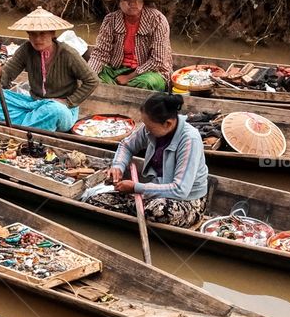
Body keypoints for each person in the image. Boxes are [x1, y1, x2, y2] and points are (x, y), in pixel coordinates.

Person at [87, 93, 208, 227]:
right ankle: (136, 209)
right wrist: (118, 166)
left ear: (168, 123)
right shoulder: (151, 129)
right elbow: (126, 145)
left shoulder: (189, 140)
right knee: (95, 201)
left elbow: (180, 189)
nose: (146, 130)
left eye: (149, 127)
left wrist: (136, 187)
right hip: (154, 192)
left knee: (156, 211)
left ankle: (136, 208)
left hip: (187, 200)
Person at [0, 7, 98, 132]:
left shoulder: (68, 53)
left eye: (42, 34)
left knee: (54, 110)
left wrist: (69, 102)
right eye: (33, 34)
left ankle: (23, 124)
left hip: (62, 109)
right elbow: (5, 79)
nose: (37, 39)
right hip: (34, 104)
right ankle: (33, 123)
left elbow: (92, 80)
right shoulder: (26, 50)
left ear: (52, 33)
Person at [87, 0, 172, 91]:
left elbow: (157, 60)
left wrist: (129, 77)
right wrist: (88, 76)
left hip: (151, 72)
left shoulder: (157, 20)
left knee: (144, 83)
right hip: (118, 69)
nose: (133, 3)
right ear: (119, 1)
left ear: (143, 1)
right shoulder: (111, 20)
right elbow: (100, 54)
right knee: (95, 78)